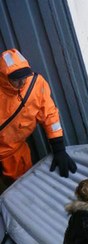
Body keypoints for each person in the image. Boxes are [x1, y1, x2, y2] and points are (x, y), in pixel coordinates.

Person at [0, 48, 77, 185]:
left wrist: (59, 149)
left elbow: (49, 115)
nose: (22, 82)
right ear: (4, 78)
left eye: (24, 77)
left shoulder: (36, 84)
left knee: (24, 185)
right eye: (16, 80)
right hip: (4, 150)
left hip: (17, 150)